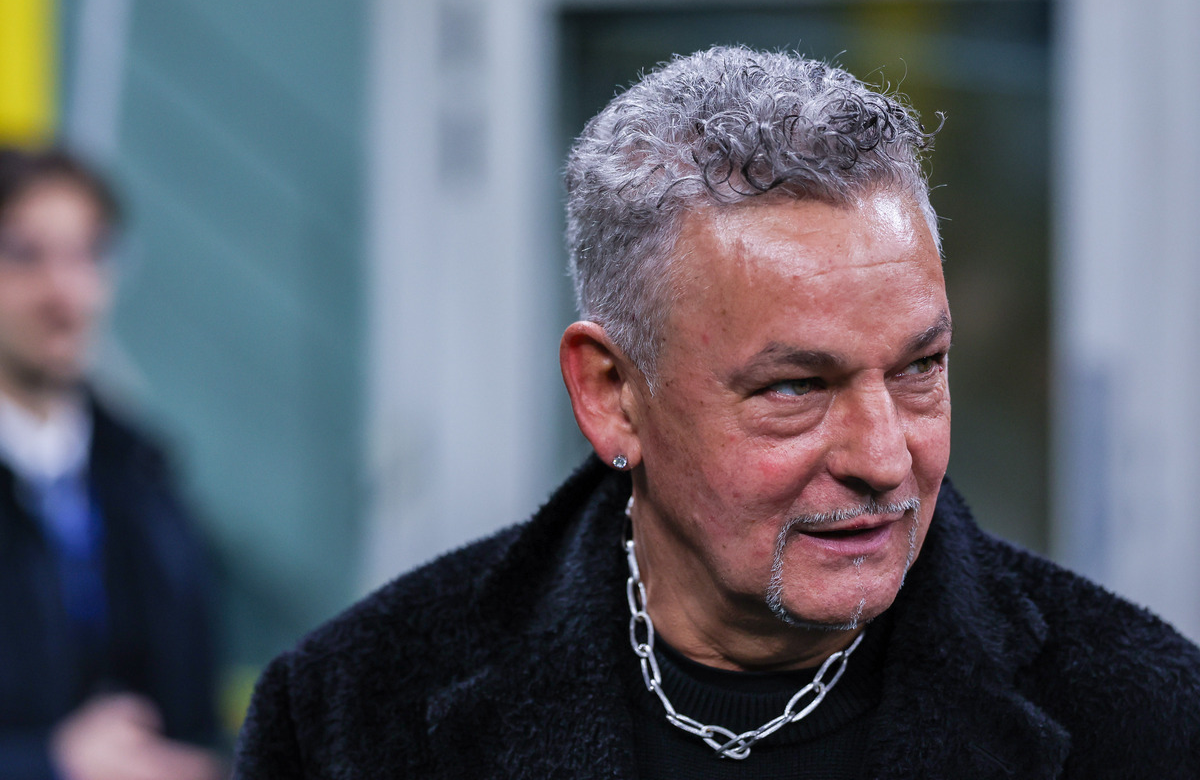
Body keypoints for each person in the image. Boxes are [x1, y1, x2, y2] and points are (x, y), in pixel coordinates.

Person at [234, 46, 1200, 778]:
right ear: (611, 396)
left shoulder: (1148, 723)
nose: (883, 458)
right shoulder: (347, 717)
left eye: (919, 369)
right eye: (796, 388)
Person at [0, 148, 225, 780]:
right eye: (25, 255)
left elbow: (194, 708)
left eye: (88, 254)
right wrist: (48, 764)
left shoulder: (142, 475)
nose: (65, 291)